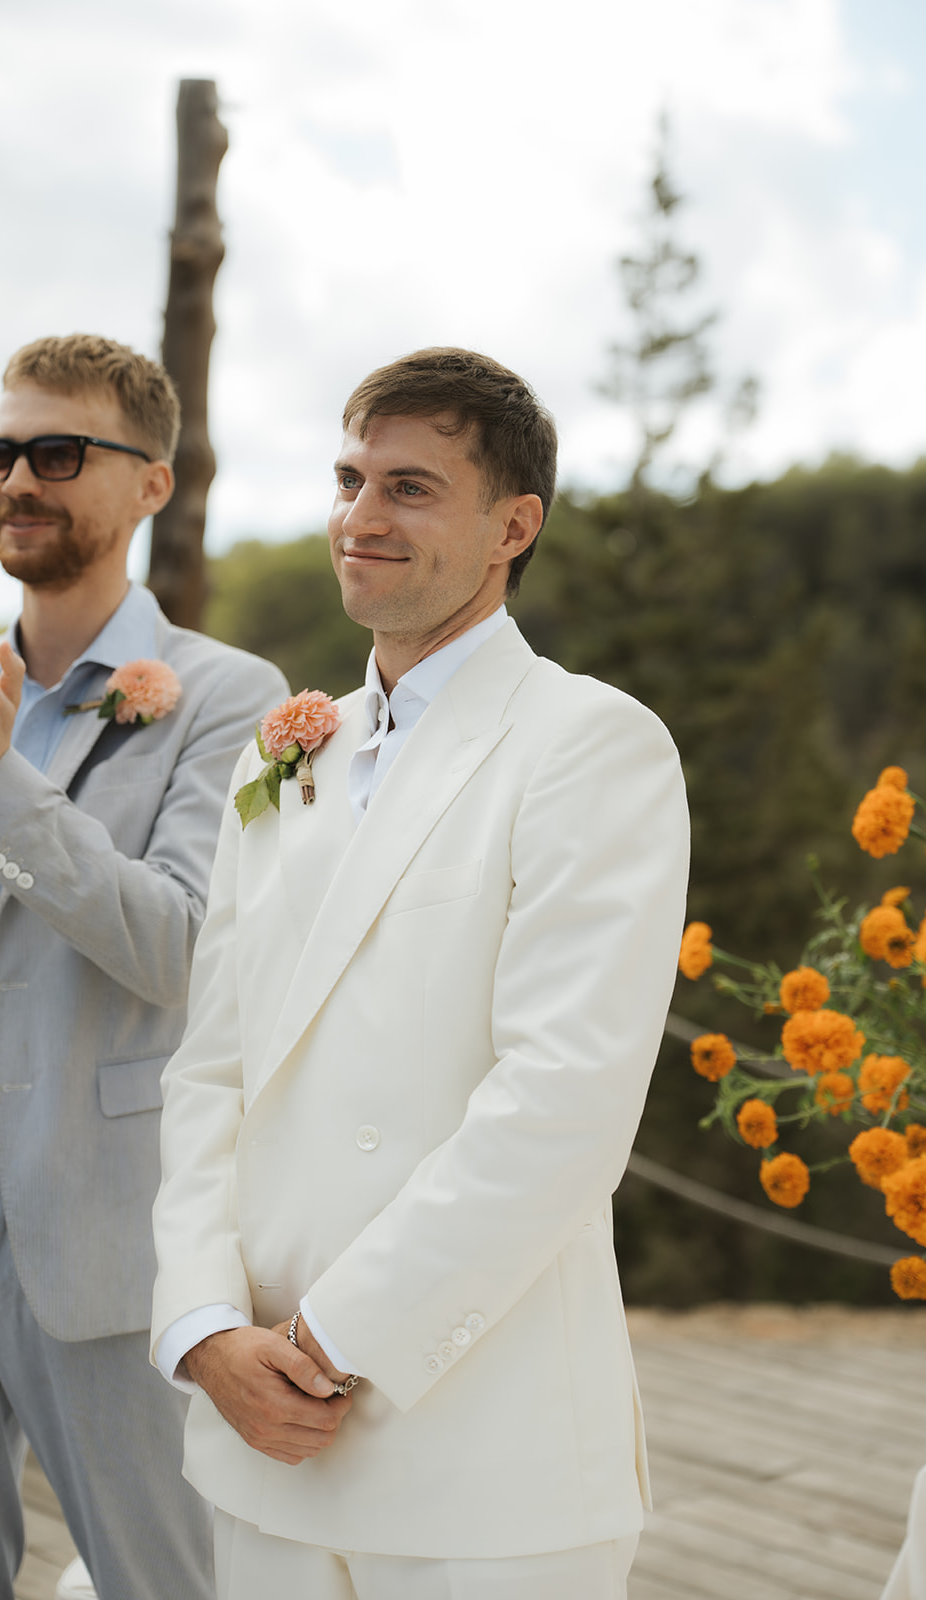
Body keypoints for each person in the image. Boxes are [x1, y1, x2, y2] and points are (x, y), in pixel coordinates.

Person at [151, 346, 691, 1598]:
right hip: (258, 1443)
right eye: (348, 479)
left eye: (408, 485)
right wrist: (200, 1328)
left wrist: (331, 1340)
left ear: (514, 524)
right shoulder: (285, 757)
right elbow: (209, 1069)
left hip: (476, 1451)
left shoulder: (588, 743)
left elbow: (561, 1102)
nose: (358, 516)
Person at [0, 333, 287, 1599]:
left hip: (112, 1225)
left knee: (162, 1578)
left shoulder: (226, 697)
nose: (16, 481)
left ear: (152, 482)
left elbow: (181, 947)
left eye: (58, 453)